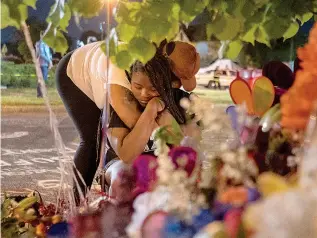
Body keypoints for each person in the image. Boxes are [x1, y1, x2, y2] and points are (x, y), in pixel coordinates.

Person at [55, 40, 200, 201]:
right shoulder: (121, 76)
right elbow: (136, 135)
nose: (178, 85)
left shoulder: (153, 65)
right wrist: (155, 111)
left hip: (104, 70)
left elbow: (187, 144)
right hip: (76, 73)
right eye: (177, 79)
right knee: (91, 141)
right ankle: (73, 203)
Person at [105, 53, 199, 194]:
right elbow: (127, 156)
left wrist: (166, 118)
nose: (144, 94)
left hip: (164, 165)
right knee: (122, 179)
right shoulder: (121, 103)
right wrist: (150, 110)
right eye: (137, 87)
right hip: (121, 164)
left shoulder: (182, 101)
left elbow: (185, 151)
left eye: (154, 89)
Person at [35, 33, 53, 98]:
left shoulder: (46, 44)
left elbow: (48, 54)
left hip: (45, 64)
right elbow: (41, 54)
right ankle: (40, 94)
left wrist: (50, 61)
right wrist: (49, 62)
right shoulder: (39, 44)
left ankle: (40, 94)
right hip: (42, 64)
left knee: (43, 79)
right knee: (42, 79)